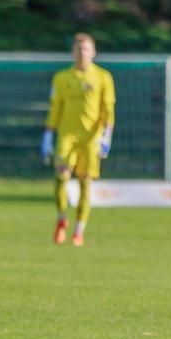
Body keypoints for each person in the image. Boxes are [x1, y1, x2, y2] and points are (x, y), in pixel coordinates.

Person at [39, 33, 116, 247]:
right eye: (78, 49)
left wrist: (107, 135)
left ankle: (79, 230)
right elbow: (56, 107)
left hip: (91, 138)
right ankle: (62, 218)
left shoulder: (103, 77)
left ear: (93, 52)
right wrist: (48, 135)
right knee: (61, 177)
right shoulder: (62, 78)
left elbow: (108, 108)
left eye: (86, 49)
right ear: (73, 52)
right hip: (67, 135)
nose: (82, 53)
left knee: (85, 183)